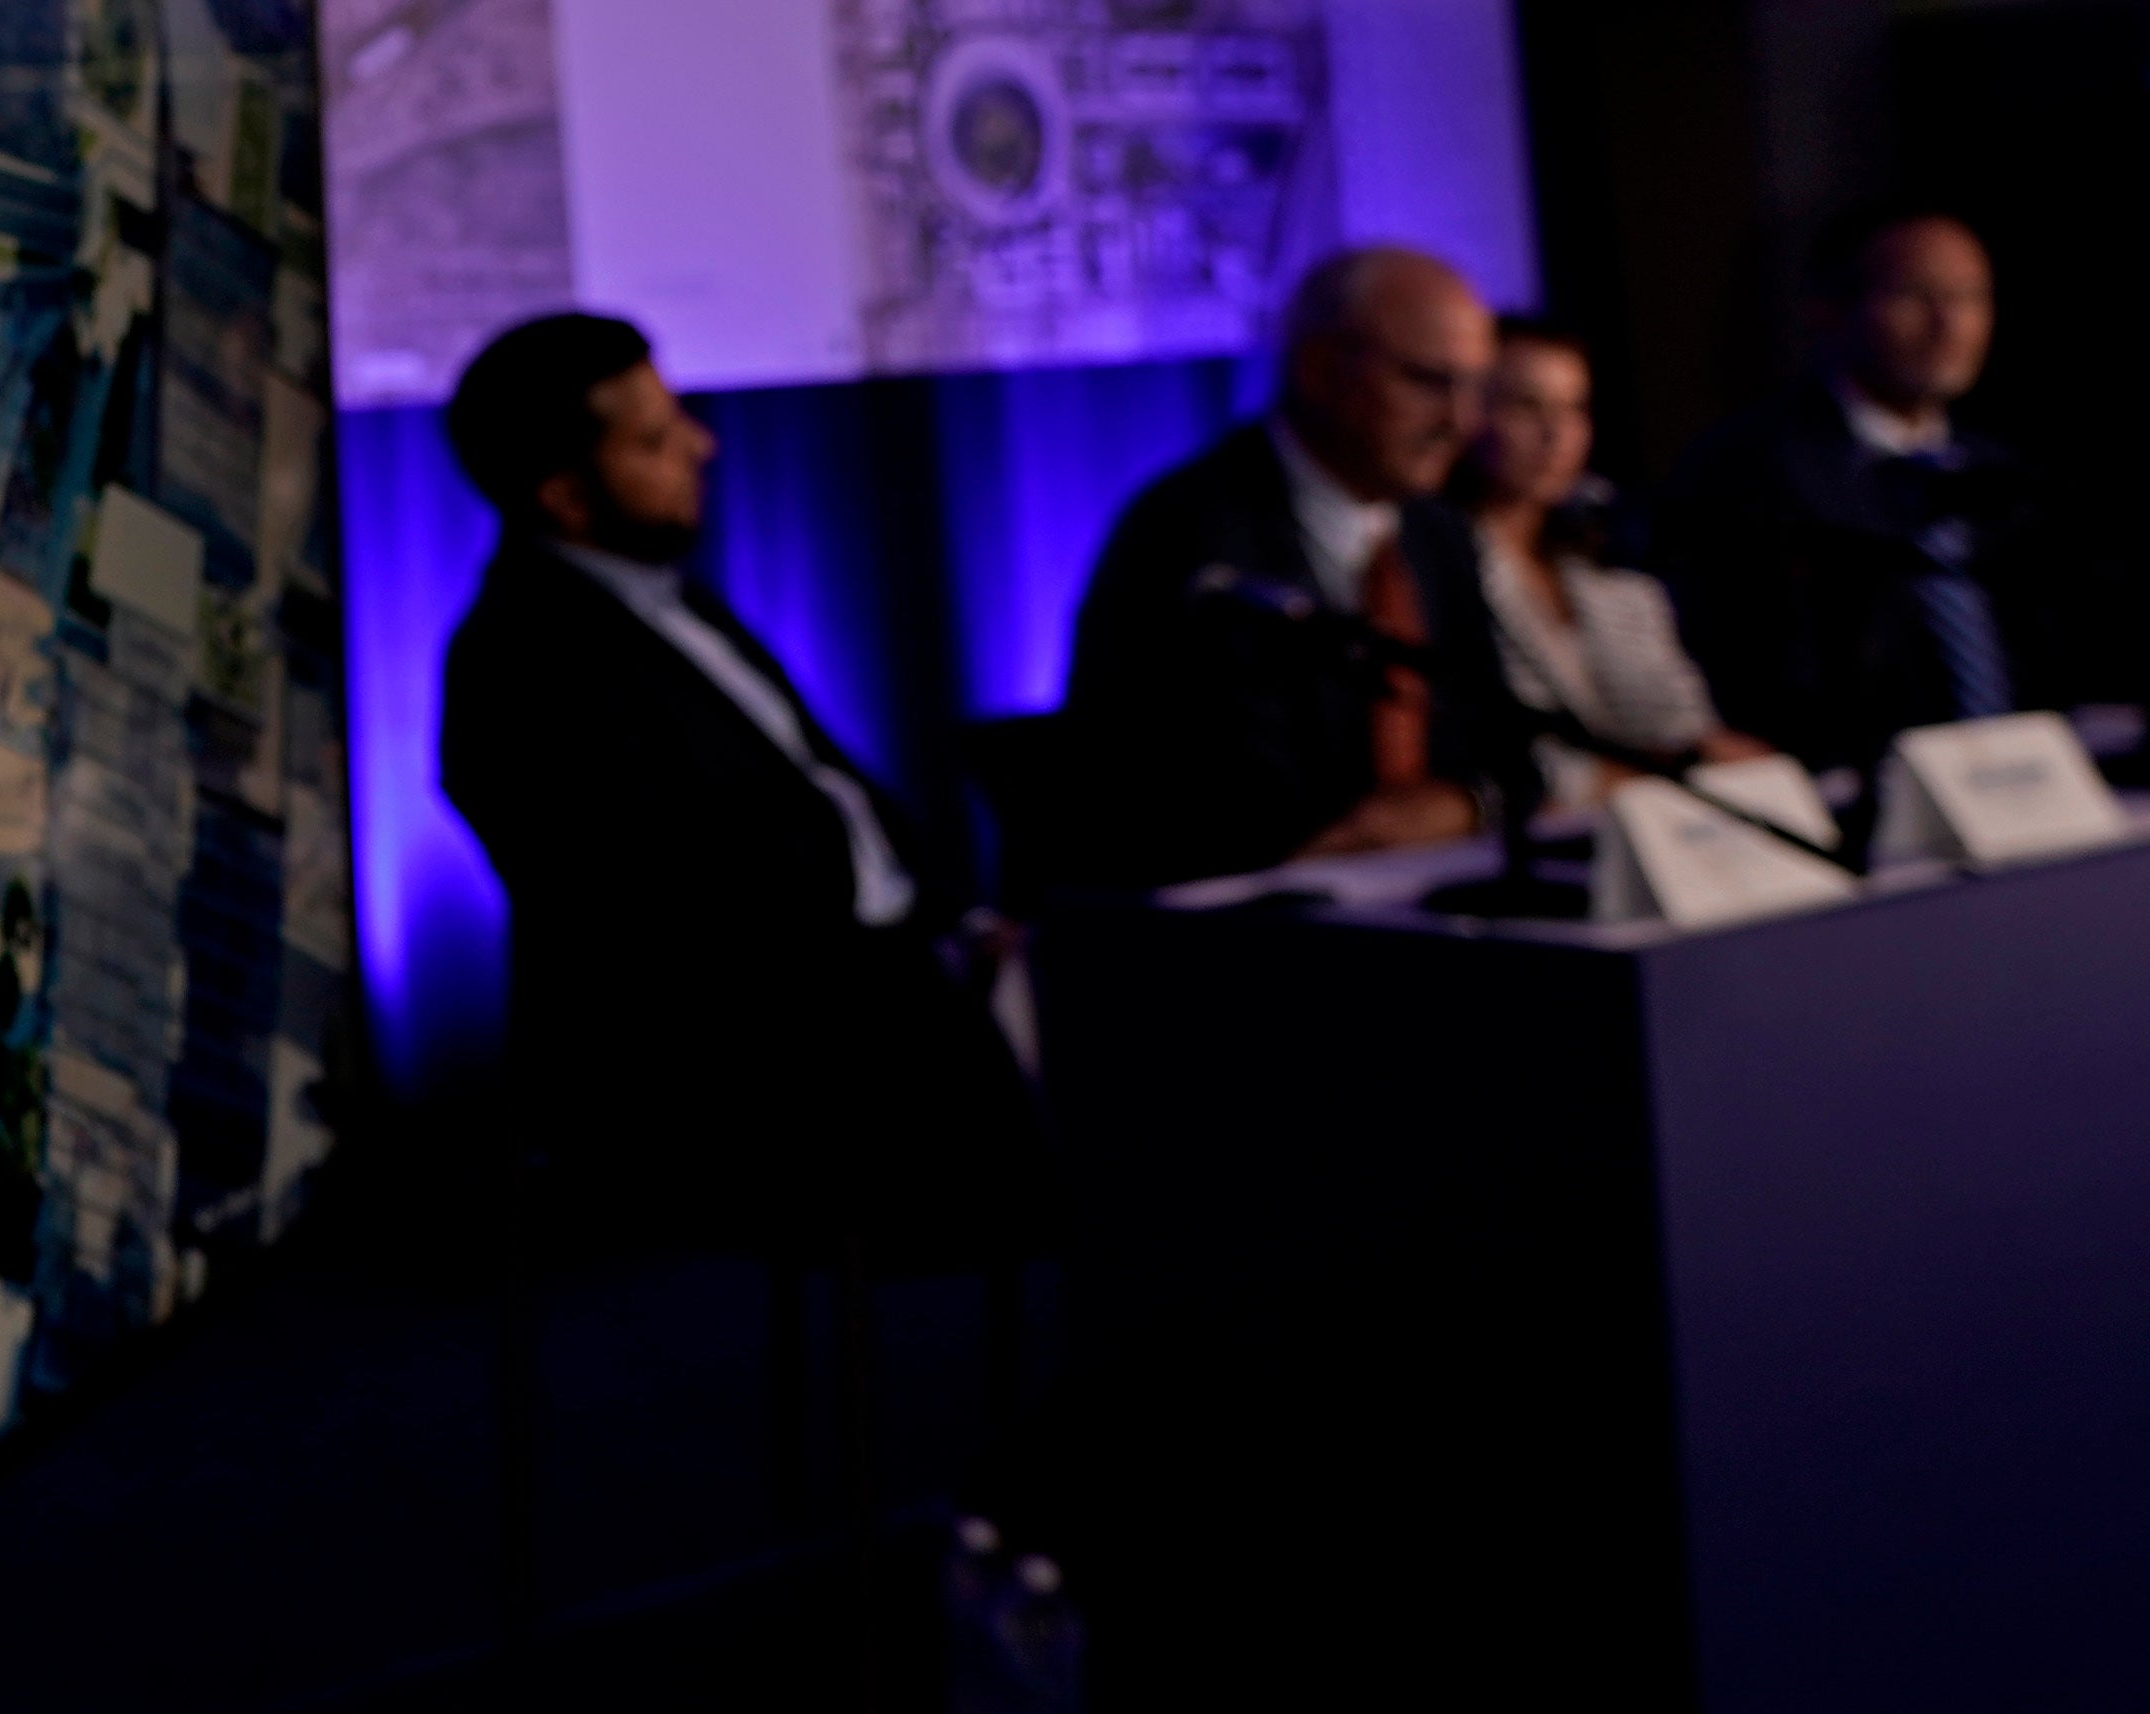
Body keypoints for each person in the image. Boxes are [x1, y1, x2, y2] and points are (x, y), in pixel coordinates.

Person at [434, 310, 1032, 1245]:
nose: (700, 446)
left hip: (890, 977)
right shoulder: (519, 662)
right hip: (757, 1053)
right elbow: (668, 912)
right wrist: (918, 956)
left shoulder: (677, 604)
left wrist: (953, 924)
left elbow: (830, 792)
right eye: (654, 439)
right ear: (564, 496)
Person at [1071, 245, 1531, 878]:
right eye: (1429, 381)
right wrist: (1377, 830)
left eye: (1475, 386)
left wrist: (1463, 804)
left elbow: (1511, 751)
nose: (1462, 421)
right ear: (1319, 369)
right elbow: (1202, 802)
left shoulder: (1439, 534)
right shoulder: (1188, 535)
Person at [1657, 211, 2064, 773]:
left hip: (2029, 781)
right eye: (1915, 296)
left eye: (1970, 297)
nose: (1948, 324)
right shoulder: (1747, 474)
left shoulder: (2008, 474)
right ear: (1827, 309)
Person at [1452, 318, 1761, 808]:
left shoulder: (1610, 566)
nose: (1555, 434)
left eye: (1574, 409)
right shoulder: (1439, 569)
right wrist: (1665, 769)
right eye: (1526, 406)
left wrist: (1698, 755)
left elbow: (1681, 724)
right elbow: (1509, 757)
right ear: (1468, 412)